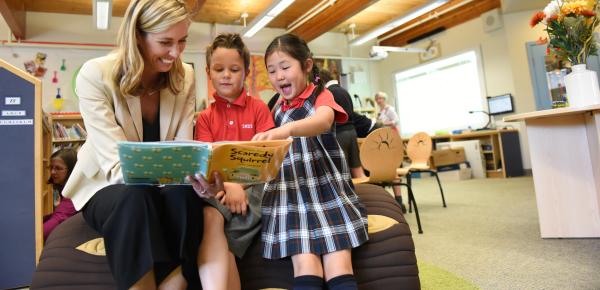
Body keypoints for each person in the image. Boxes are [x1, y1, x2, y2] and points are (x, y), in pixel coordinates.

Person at [61, 1, 209, 289]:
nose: (176, 54)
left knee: (186, 199)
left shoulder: (185, 75)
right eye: (165, 42)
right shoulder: (96, 74)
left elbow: (180, 149)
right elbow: (116, 165)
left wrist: (196, 175)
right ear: (137, 37)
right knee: (136, 197)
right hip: (106, 184)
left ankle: (175, 283)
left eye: (182, 41)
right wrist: (170, 177)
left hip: (164, 185)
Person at [252, 33, 369, 290]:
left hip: (326, 190)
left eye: (285, 67)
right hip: (290, 194)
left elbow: (323, 121)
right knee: (305, 266)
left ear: (306, 65)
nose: (278, 76)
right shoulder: (275, 107)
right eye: (271, 71)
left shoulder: (321, 96)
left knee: (339, 264)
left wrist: (288, 129)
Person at [194, 33, 275, 290]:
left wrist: (240, 186)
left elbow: (268, 157)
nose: (226, 75)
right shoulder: (205, 117)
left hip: (255, 189)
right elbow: (208, 163)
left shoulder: (259, 109)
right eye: (219, 69)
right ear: (208, 72)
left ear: (246, 72)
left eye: (234, 69)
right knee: (210, 215)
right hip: (218, 191)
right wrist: (229, 187)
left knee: (224, 240)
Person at [319, 68, 365, 178]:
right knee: (357, 169)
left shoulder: (329, 93)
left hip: (340, 134)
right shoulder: (344, 91)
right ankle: (366, 193)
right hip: (351, 132)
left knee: (342, 171)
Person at [374, 91, 406, 212]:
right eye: (376, 99)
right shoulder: (380, 112)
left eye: (380, 98)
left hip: (391, 137)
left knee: (393, 165)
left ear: (384, 99)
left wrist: (384, 123)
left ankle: (398, 202)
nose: (378, 100)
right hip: (384, 137)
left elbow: (396, 121)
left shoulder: (389, 109)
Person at [43, 148, 78, 240]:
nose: (52, 172)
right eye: (51, 167)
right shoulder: (66, 187)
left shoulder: (73, 192)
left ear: (71, 170)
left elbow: (59, 218)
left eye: (58, 168)